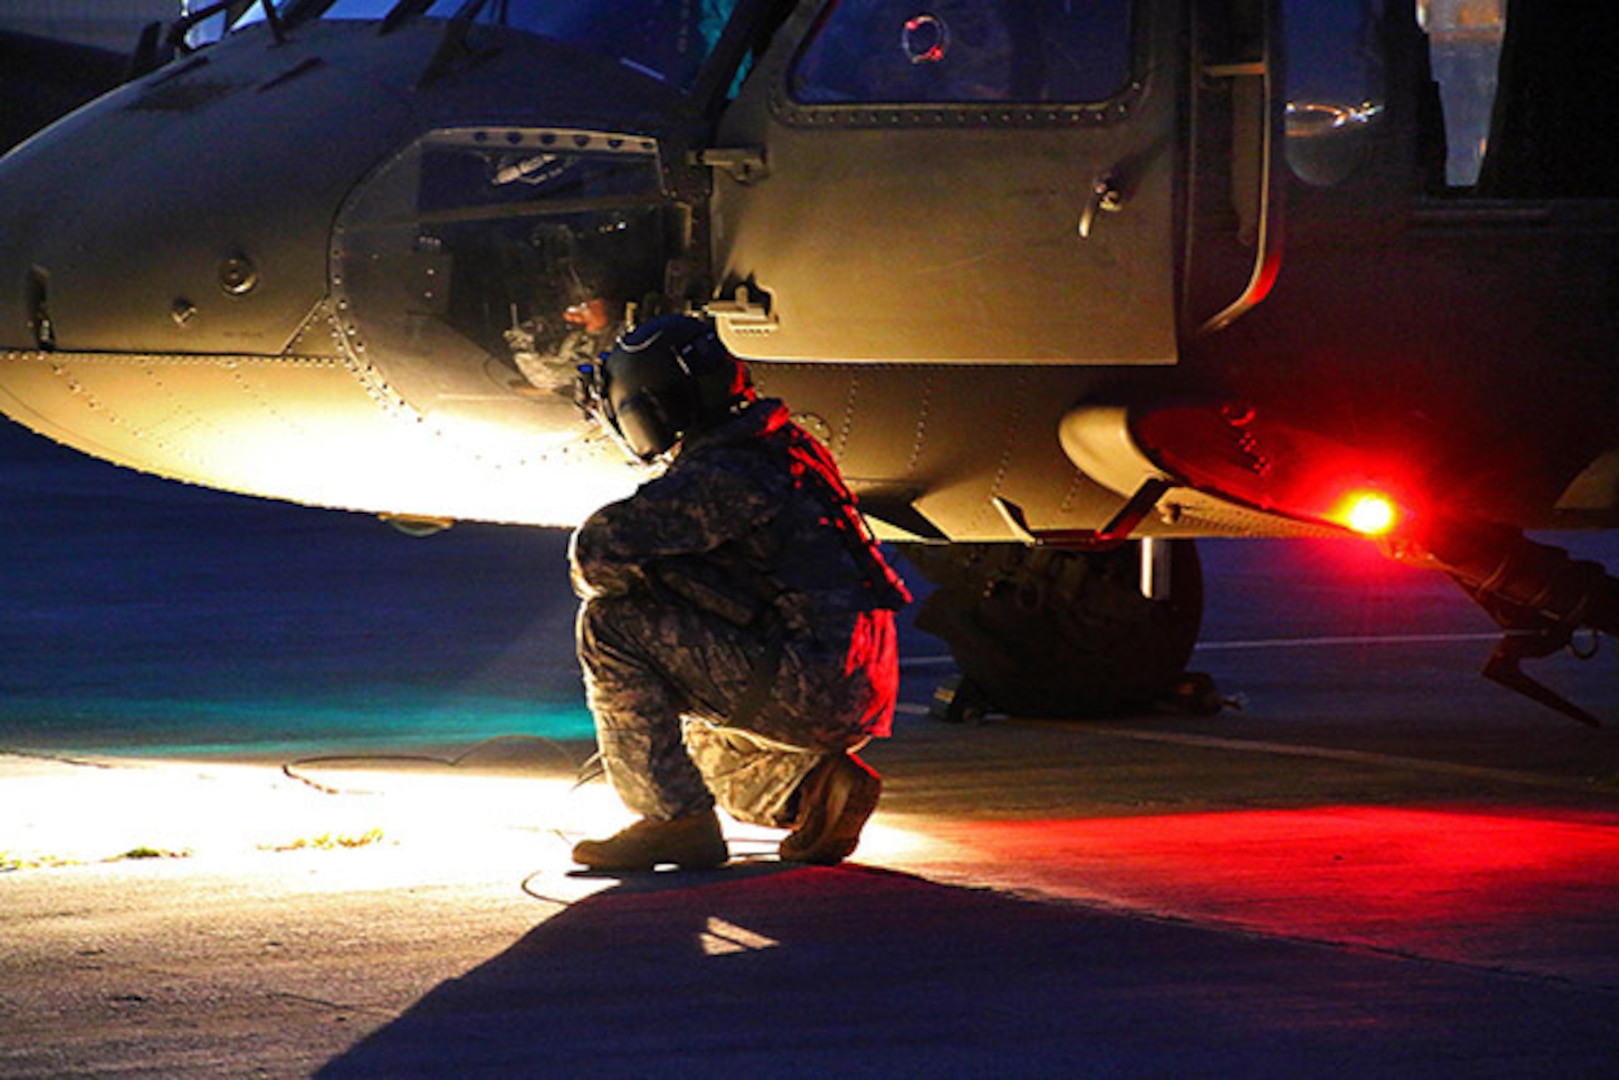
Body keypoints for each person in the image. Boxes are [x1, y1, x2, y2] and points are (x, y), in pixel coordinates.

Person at [569, 315, 910, 870]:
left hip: (814, 680)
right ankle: (815, 787)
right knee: (695, 748)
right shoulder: (781, 447)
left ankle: (670, 822)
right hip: (849, 675)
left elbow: (599, 550)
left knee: (611, 626)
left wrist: (651, 586)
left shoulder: (727, 470)